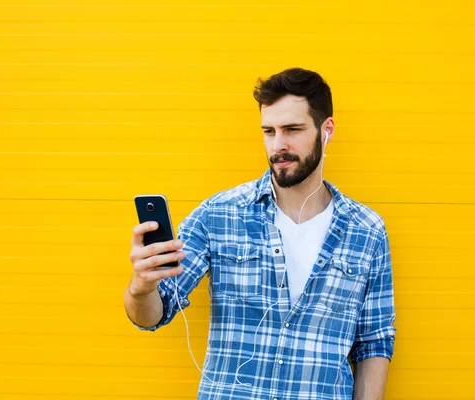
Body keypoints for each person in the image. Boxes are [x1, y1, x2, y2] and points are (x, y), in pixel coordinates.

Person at [124, 67, 397, 400]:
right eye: (269, 131)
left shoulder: (367, 230)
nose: (278, 145)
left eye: (293, 129)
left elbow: (374, 342)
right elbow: (154, 313)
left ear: (326, 131)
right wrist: (142, 286)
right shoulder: (219, 213)